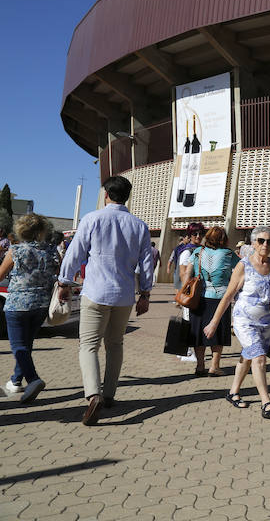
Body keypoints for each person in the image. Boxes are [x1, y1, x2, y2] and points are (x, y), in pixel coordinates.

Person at [57, 176, 154, 426]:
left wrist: (64, 282)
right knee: (115, 344)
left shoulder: (92, 218)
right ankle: (109, 394)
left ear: (106, 195)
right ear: (127, 197)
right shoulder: (139, 226)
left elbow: (74, 252)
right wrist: (145, 293)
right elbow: (146, 263)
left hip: (96, 292)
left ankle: (93, 394)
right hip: (124, 296)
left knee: (88, 345)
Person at [204, 226, 270, 419]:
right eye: (261, 241)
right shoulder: (243, 265)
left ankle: (233, 392)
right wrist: (214, 322)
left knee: (248, 356)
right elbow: (229, 295)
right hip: (244, 320)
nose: (265, 244)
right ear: (254, 243)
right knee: (259, 358)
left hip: (267, 322)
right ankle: (266, 403)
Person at [0, 214, 59, 403]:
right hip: (41, 303)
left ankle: (33, 379)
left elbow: (1, 275)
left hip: (17, 304)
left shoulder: (16, 250)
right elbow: (58, 271)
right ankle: (16, 380)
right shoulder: (51, 250)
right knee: (27, 344)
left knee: (18, 346)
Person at [186, 227, 239, 377]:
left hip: (199, 298)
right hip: (221, 298)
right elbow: (242, 269)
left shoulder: (197, 252)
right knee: (218, 333)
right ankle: (214, 367)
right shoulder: (229, 254)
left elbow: (188, 274)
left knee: (198, 333)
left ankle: (200, 366)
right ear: (224, 239)